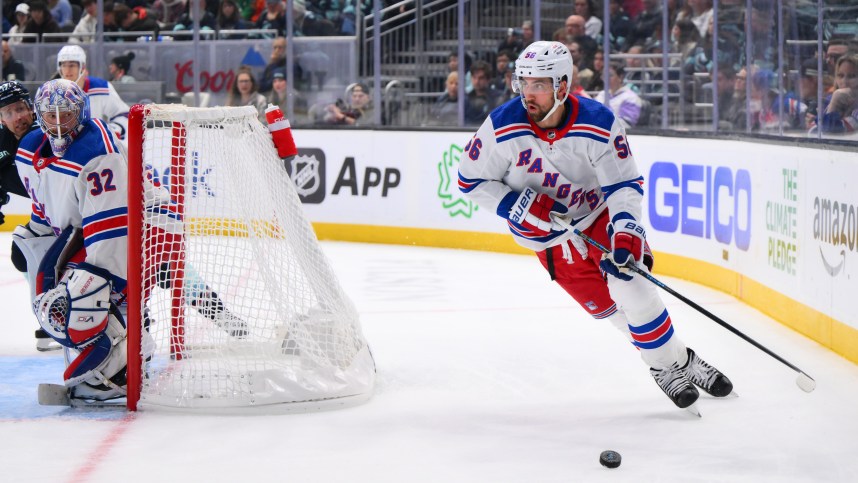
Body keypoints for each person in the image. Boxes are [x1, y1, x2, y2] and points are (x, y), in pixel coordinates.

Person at [457, 41, 733, 412]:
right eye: (523, 83)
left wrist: (626, 233)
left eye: (538, 85)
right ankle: (682, 361)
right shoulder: (502, 125)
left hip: (598, 218)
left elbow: (623, 184)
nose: (528, 94)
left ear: (562, 86)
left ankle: (661, 369)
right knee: (615, 314)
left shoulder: (598, 122)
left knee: (632, 289)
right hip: (549, 243)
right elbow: (470, 181)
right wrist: (521, 206)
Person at [13, 79, 248, 401]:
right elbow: (46, 209)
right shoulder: (28, 148)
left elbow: (110, 233)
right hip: (101, 229)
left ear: (80, 113)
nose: (57, 124)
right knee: (75, 293)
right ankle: (116, 364)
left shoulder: (97, 153)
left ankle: (131, 367)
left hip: (149, 225)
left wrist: (102, 284)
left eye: (65, 114)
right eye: (50, 116)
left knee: (95, 295)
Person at [55, 45, 130, 145]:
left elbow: (123, 114)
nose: (67, 71)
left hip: (96, 148)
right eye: (64, 65)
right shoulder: (51, 92)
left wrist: (110, 133)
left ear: (82, 67)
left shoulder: (102, 88)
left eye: (72, 65)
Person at [595, 61, 643, 128]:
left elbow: (626, 124)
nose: (606, 79)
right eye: (604, 75)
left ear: (620, 77)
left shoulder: (631, 98)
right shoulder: (601, 95)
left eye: (610, 75)